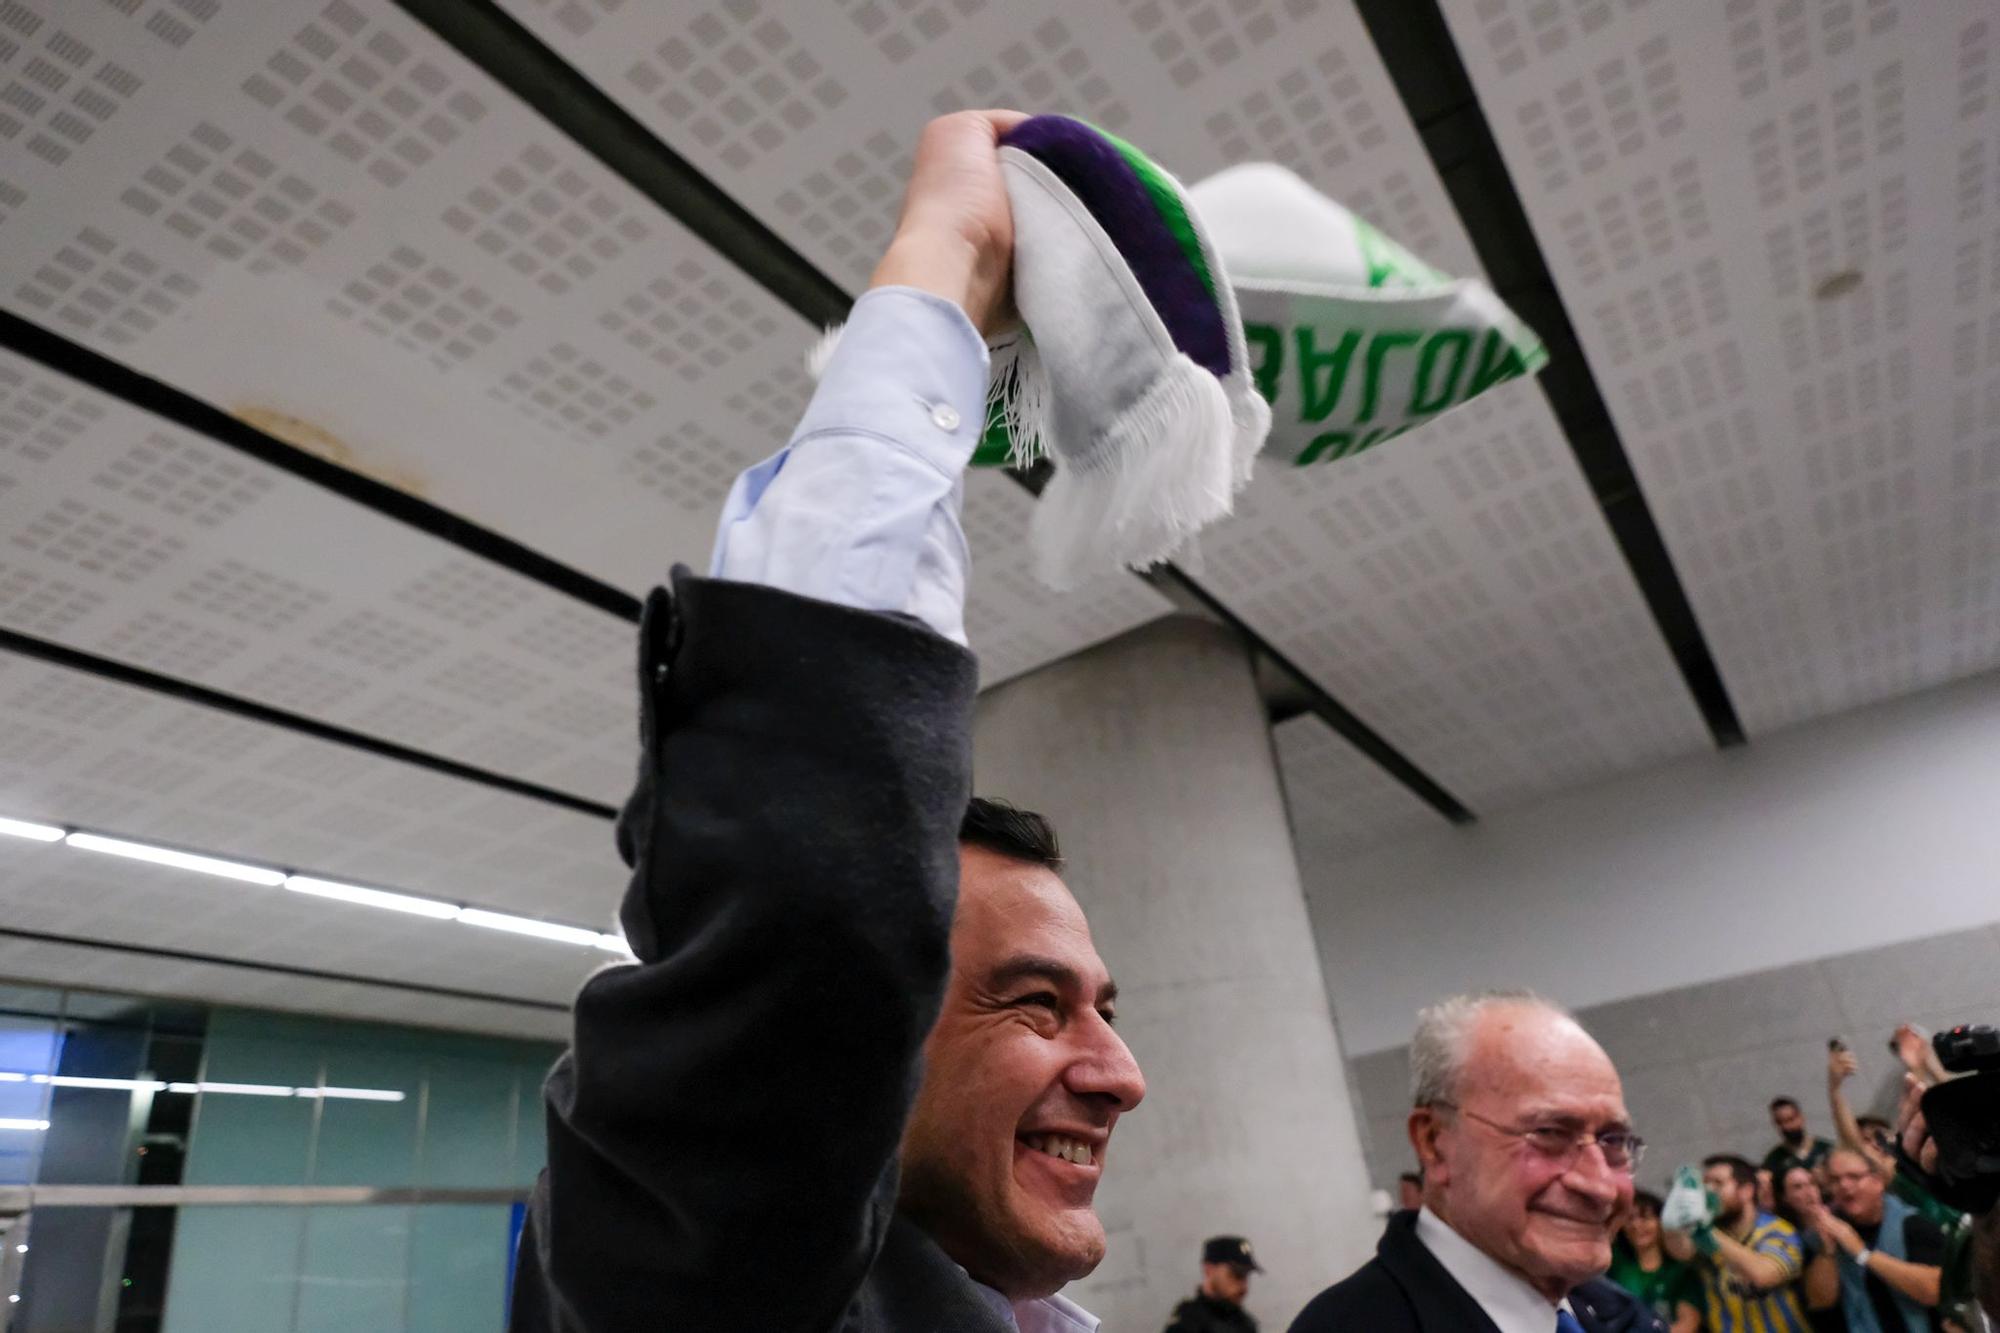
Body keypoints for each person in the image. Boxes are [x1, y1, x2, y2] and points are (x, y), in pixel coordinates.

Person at [507, 109, 1151, 1332]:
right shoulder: (717, 1296)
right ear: (866, 1048)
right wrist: (946, 272)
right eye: (1030, 1004)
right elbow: (816, 903)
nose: (1118, 1074)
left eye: (1098, 1011)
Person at [1288, 991, 1666, 1332]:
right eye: (1550, 1133)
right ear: (1435, 1142)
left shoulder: (1621, 1315)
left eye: (1613, 1141)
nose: (1600, 1186)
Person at [1801, 1149, 1943, 1333]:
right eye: (1835, 1180)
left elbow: (1934, 1291)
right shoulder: (1827, 1230)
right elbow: (1819, 1302)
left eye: (1854, 1177)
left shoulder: (1913, 1224)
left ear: (1878, 1182)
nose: (1844, 1185)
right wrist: (1827, 1250)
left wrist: (1862, 1253)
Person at [1666, 1154, 1810, 1333]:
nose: (1708, 1191)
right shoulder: (1710, 1231)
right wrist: (1672, 1225)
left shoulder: (1779, 1231)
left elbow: (1765, 1274)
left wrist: (1706, 1231)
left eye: (1718, 1183)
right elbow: (1681, 1251)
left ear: (1746, 1191)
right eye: (1705, 1184)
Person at [1608, 1191, 1702, 1333]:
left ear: (1661, 1222)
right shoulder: (1614, 1263)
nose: (1636, 1225)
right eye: (1630, 1219)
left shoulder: (1681, 1272)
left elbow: (1687, 1324)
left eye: (1645, 1218)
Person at [1774, 1164, 1847, 1333]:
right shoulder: (1788, 1241)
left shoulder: (1843, 1217)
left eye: (1812, 1183)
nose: (1809, 1192)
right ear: (1784, 1197)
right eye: (1798, 1187)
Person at [1164, 1236, 1263, 1333]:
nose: (1244, 1286)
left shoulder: (1246, 1324)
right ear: (1209, 1270)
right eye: (1236, 1275)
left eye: (1246, 1276)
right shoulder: (1187, 1325)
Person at [1766, 1097, 1837, 1179]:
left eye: (1791, 1119)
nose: (1787, 1127)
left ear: (1801, 1118)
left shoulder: (1826, 1149)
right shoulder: (1774, 1160)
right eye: (1780, 1122)